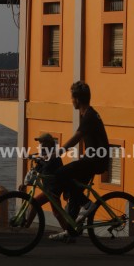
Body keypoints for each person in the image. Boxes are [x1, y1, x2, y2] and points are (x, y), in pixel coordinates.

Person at [49, 81, 109, 242]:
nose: (71, 101)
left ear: (77, 99)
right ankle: (71, 232)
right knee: (74, 194)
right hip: (94, 159)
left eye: (72, 98)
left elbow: (76, 138)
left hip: (95, 160)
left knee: (61, 173)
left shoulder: (89, 116)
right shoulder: (89, 114)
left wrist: (58, 152)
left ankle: (88, 204)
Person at [20, 133, 68, 232]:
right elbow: (37, 170)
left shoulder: (54, 156)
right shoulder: (44, 155)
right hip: (48, 189)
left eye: (42, 142)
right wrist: (25, 184)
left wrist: (41, 160)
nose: (40, 144)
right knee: (38, 204)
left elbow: (47, 166)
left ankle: (68, 232)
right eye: (40, 142)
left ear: (49, 144)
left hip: (53, 189)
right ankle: (27, 226)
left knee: (56, 212)